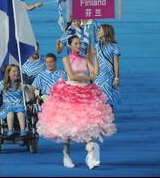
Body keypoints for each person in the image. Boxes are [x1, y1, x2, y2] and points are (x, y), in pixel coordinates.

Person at [37, 36, 116, 169]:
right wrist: (88, 77)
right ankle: (66, 155)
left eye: (80, 43)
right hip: (70, 92)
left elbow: (95, 73)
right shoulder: (66, 59)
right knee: (68, 126)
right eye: (76, 43)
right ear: (70, 45)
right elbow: (72, 76)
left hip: (86, 92)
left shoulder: (85, 59)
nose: (79, 46)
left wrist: (95, 57)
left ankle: (90, 156)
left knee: (89, 123)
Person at [0, 64, 32, 138]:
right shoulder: (2, 84)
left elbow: (31, 98)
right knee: (10, 112)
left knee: (20, 112)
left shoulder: (22, 84)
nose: (16, 73)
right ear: (8, 73)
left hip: (19, 105)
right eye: (14, 71)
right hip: (7, 106)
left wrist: (26, 89)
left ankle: (23, 131)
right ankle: (10, 130)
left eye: (17, 71)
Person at [94, 24, 120, 108]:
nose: (98, 32)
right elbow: (95, 60)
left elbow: (116, 62)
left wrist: (116, 78)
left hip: (109, 76)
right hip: (98, 76)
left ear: (105, 32)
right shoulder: (97, 45)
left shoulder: (113, 46)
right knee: (97, 98)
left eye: (100, 30)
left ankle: (109, 117)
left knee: (108, 98)